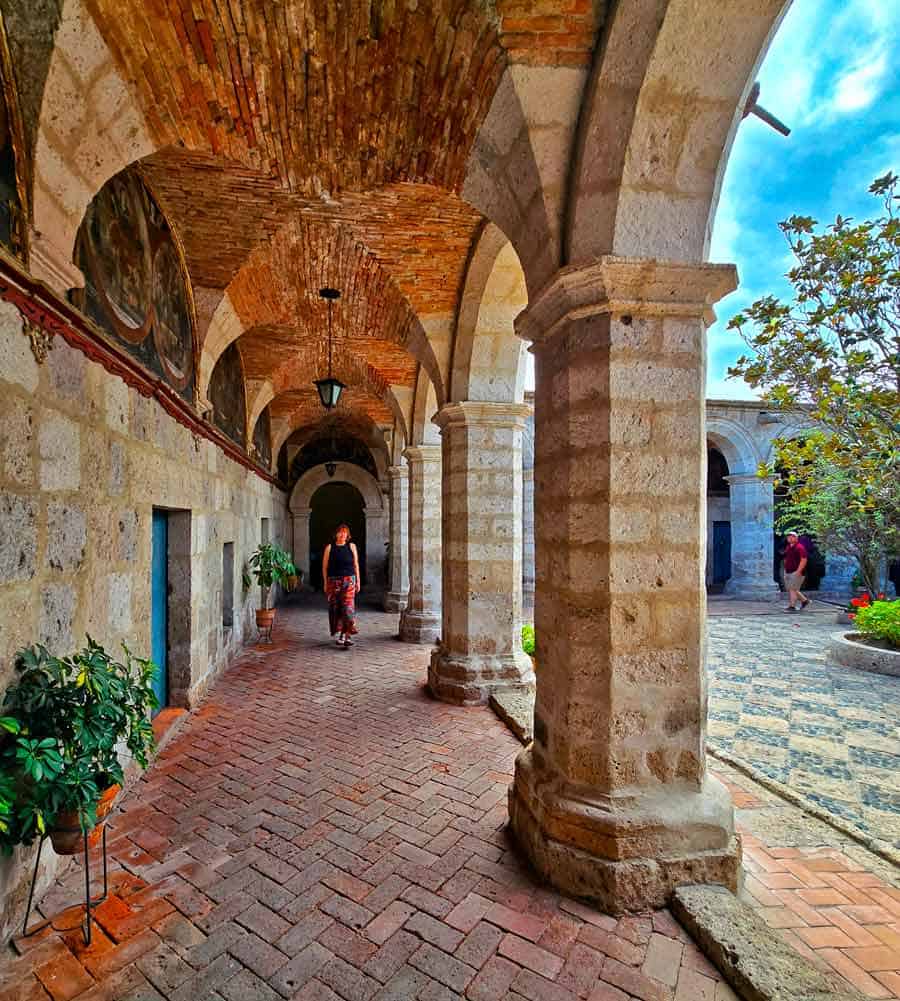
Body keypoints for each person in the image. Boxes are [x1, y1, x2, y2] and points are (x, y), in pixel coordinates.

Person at [322, 524, 361, 647]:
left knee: (348, 609)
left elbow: (356, 565)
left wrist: (358, 581)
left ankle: (348, 635)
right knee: (337, 609)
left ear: (347, 535)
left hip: (349, 580)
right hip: (334, 582)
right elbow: (324, 567)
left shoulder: (351, 546)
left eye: (345, 532)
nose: (342, 534)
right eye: (340, 532)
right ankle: (342, 635)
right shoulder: (329, 548)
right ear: (336, 534)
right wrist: (325, 582)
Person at [782, 530, 809, 612]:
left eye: (792, 537)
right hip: (788, 571)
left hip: (796, 571)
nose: (789, 538)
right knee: (792, 588)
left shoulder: (800, 547)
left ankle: (792, 606)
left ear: (796, 538)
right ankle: (805, 601)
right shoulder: (788, 547)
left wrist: (798, 571)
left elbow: (804, 560)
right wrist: (785, 569)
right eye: (788, 537)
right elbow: (786, 558)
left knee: (792, 589)